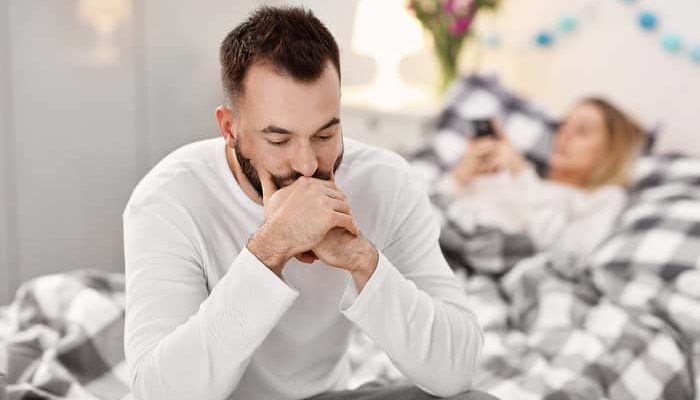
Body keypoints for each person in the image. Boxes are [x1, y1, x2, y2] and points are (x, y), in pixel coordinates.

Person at [122, 6, 493, 400]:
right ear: (230, 128)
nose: (307, 164)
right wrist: (272, 247)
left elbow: (458, 372)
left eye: (325, 134)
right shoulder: (168, 198)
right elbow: (158, 394)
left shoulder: (387, 182)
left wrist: (361, 259)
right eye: (278, 140)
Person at [434, 98, 646, 263]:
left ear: (611, 152)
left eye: (582, 131)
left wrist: (520, 171)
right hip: (437, 235)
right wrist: (462, 174)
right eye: (563, 126)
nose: (565, 136)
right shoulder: (520, 174)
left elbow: (560, 252)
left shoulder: (602, 198)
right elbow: (435, 203)